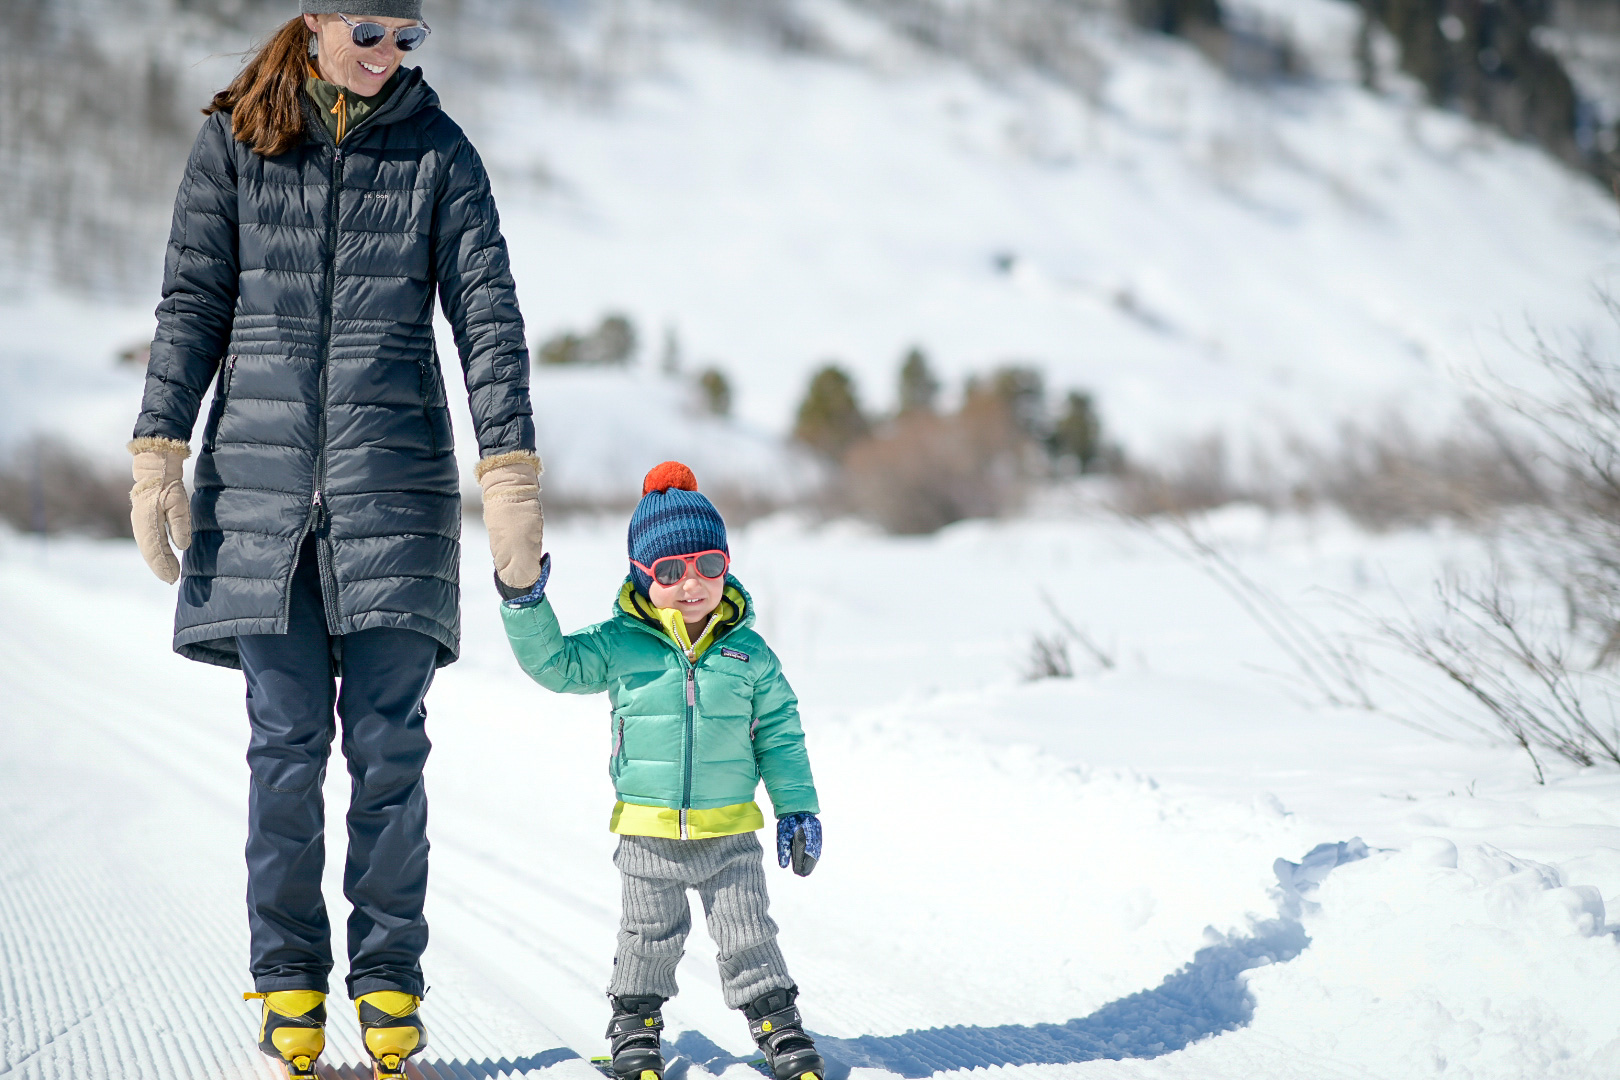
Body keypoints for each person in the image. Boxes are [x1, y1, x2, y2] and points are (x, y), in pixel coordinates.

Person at [127, 5, 546, 1079]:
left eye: (410, 32)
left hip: (395, 493)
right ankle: (288, 979)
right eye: (371, 26)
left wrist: (508, 477)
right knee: (284, 750)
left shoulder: (438, 152)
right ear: (313, 18)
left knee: (390, 752)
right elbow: (192, 304)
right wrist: (159, 447)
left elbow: (487, 316)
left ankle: (390, 978)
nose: (390, 50)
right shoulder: (235, 140)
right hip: (262, 494)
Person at [499, 462, 826, 1080]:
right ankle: (634, 1025)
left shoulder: (749, 654)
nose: (691, 584)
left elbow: (782, 736)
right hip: (649, 830)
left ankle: (778, 1025)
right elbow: (556, 665)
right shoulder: (621, 645)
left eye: (708, 566)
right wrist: (525, 605)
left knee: (748, 934)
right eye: (670, 572)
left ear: (726, 567)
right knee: (648, 938)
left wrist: (797, 806)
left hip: (730, 830)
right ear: (642, 576)